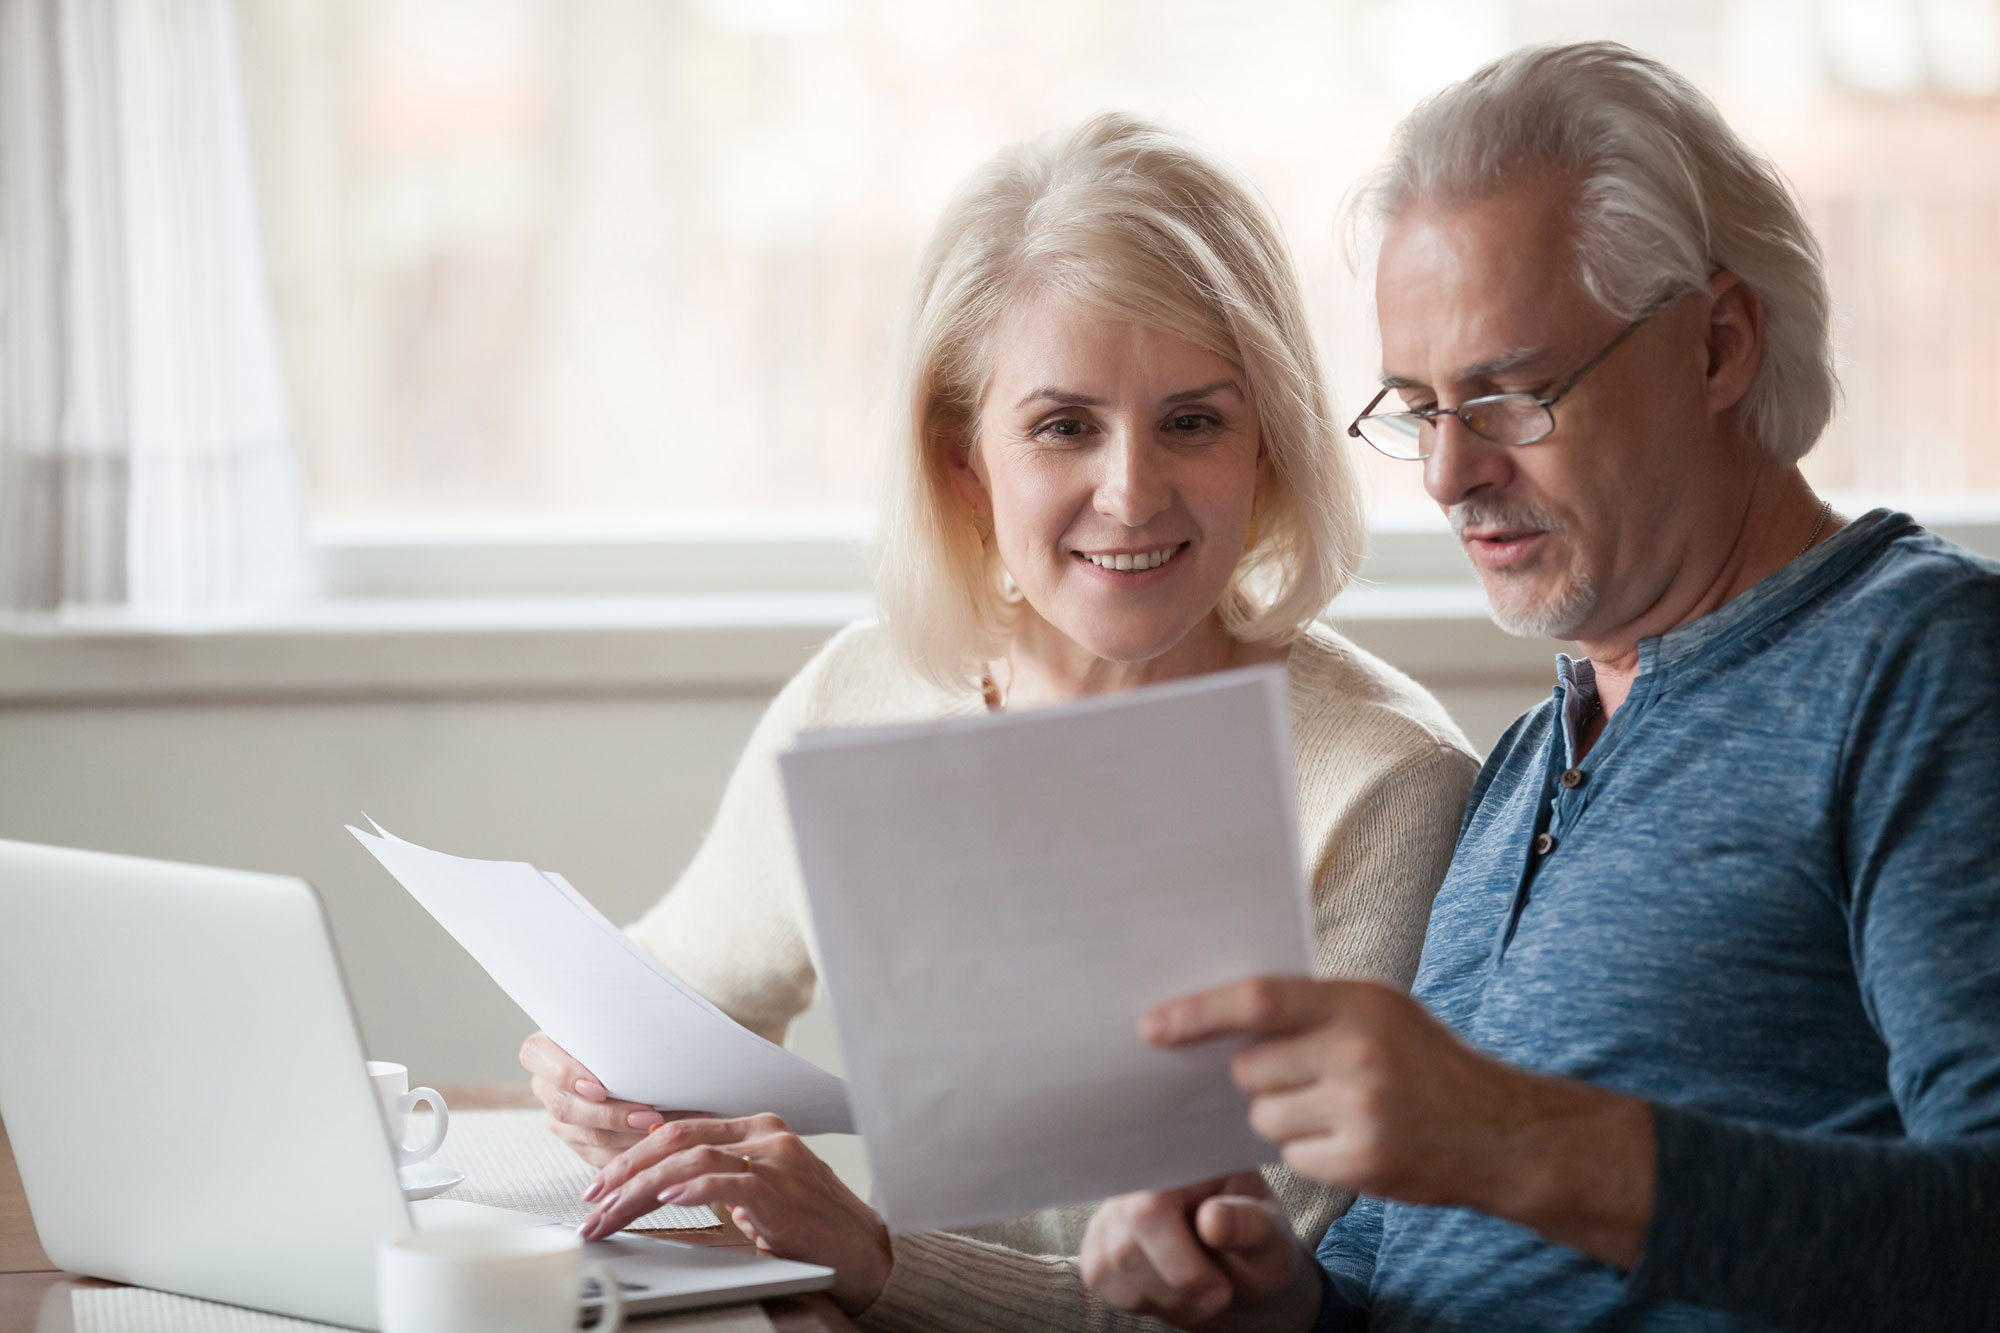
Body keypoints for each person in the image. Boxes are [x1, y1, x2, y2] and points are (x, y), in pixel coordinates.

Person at [1078, 42, 2000, 1332]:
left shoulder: (1923, 668)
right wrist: (1273, 1295)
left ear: (1716, 343)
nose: (1448, 475)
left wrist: (1519, 1139)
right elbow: (1409, 1287)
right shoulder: (1523, 759)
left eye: (1508, 394)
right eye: (1416, 407)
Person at [521, 114, 1483, 1326]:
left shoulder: (1383, 782)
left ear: (1270, 445)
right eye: (1062, 425)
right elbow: (677, 988)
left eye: (1193, 420)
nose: (1130, 491)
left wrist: (873, 1261)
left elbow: (1259, 1302)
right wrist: (594, 1066)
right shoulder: (864, 695)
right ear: (963, 459)